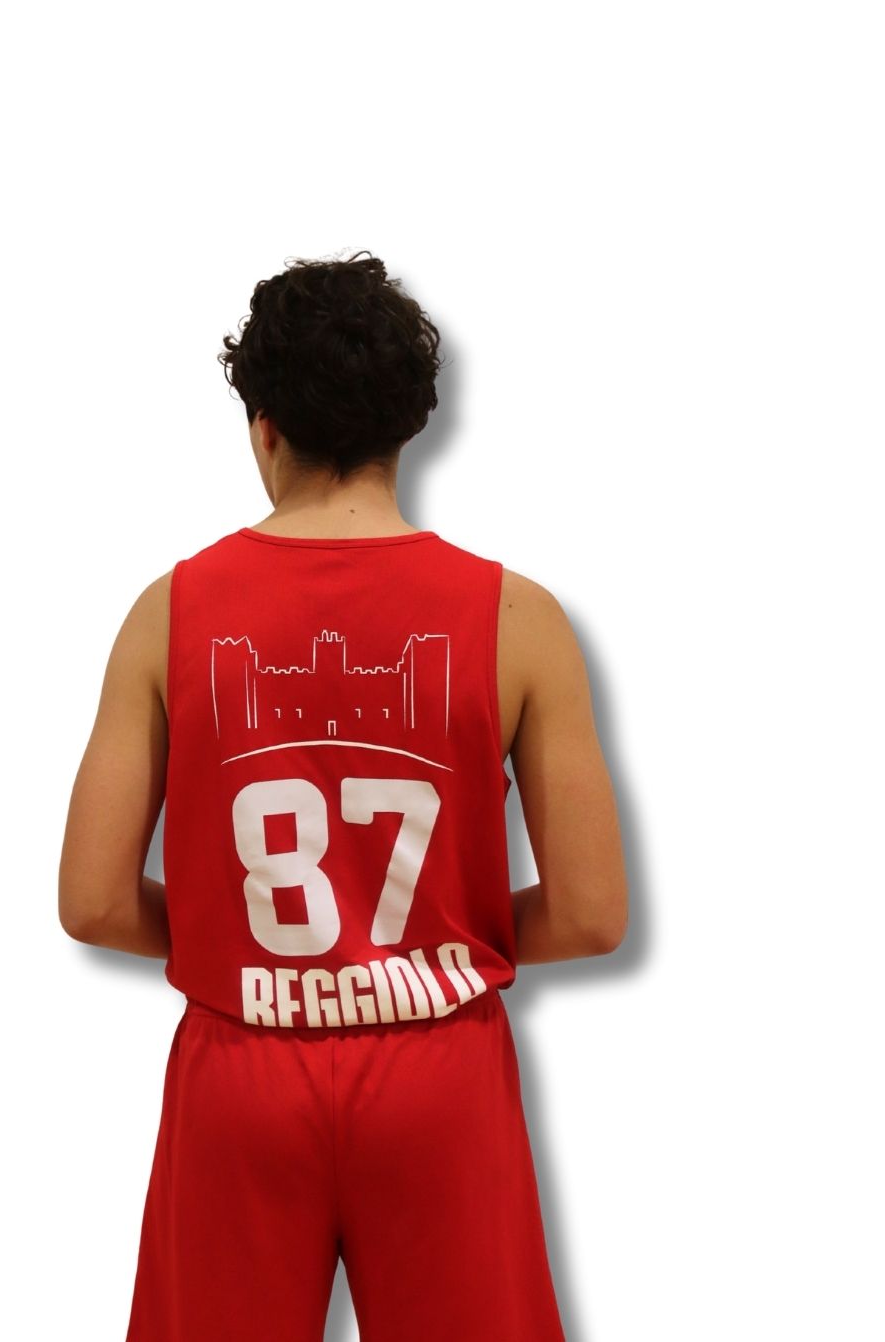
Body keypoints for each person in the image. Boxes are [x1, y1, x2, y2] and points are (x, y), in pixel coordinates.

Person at [58, 250, 629, 1341]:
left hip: (240, 1068)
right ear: (405, 430)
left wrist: (252, 954)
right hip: (440, 1069)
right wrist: (419, 952)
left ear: (263, 429)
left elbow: (90, 901)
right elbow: (594, 914)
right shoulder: (520, 619)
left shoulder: (166, 614)